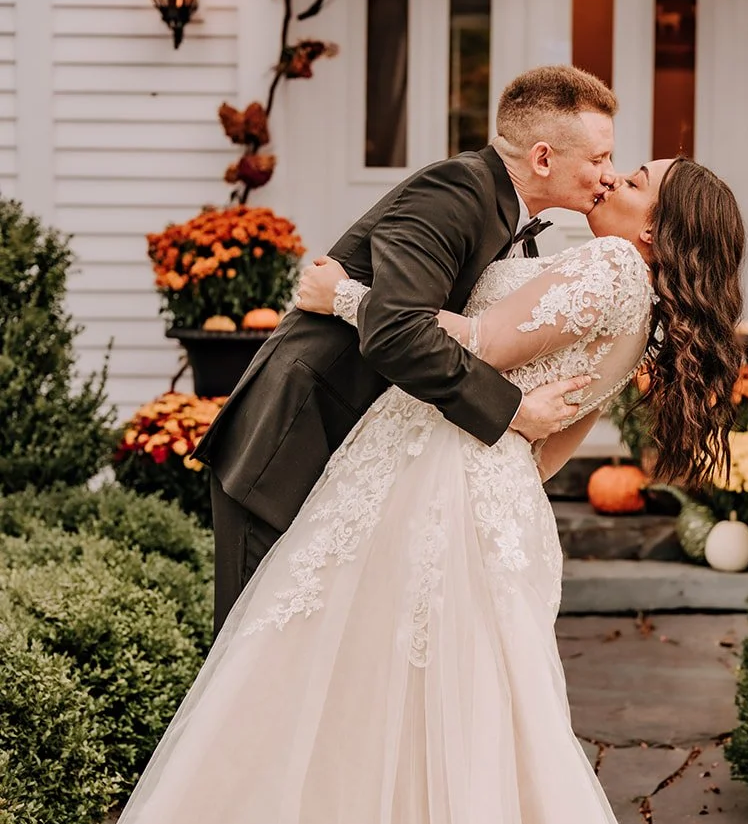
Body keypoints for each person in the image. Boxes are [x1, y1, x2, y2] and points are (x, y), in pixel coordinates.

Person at [28, 156, 748, 824]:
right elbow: (548, 443)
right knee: (418, 745)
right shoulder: (636, 307)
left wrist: (343, 293)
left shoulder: (612, 272)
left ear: (658, 232)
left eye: (639, 178)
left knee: (319, 708)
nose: (615, 171)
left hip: (435, 501)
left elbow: (477, 340)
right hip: (467, 495)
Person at [194, 64, 620, 634]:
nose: (609, 176)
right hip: (295, 437)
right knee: (257, 652)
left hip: (361, 454)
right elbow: (398, 331)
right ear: (543, 159)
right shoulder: (454, 190)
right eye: (598, 159)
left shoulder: (507, 211)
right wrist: (516, 412)